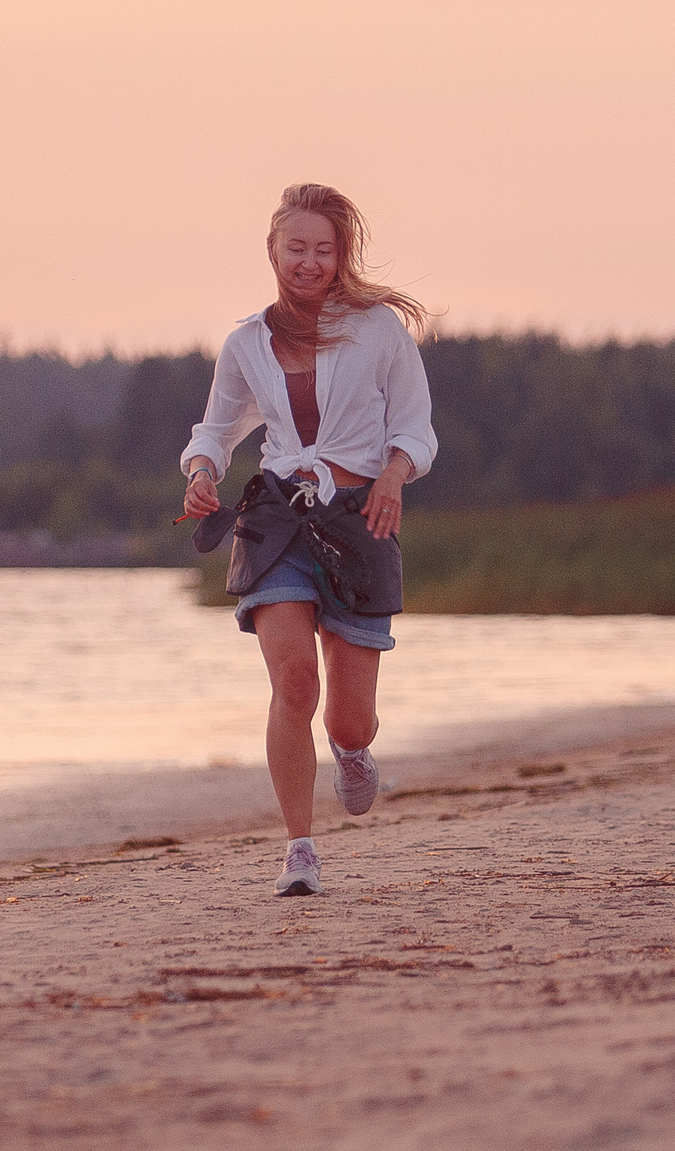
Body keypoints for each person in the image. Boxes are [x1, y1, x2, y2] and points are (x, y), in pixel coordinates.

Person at [180, 184, 437, 897]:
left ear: (339, 256)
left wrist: (392, 474)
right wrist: (202, 470)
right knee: (294, 680)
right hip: (278, 519)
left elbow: (416, 426)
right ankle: (299, 847)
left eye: (324, 250)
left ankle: (352, 751)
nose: (309, 261)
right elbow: (215, 430)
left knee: (348, 716)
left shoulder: (378, 329)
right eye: (297, 247)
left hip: (361, 520)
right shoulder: (245, 344)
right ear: (272, 249)